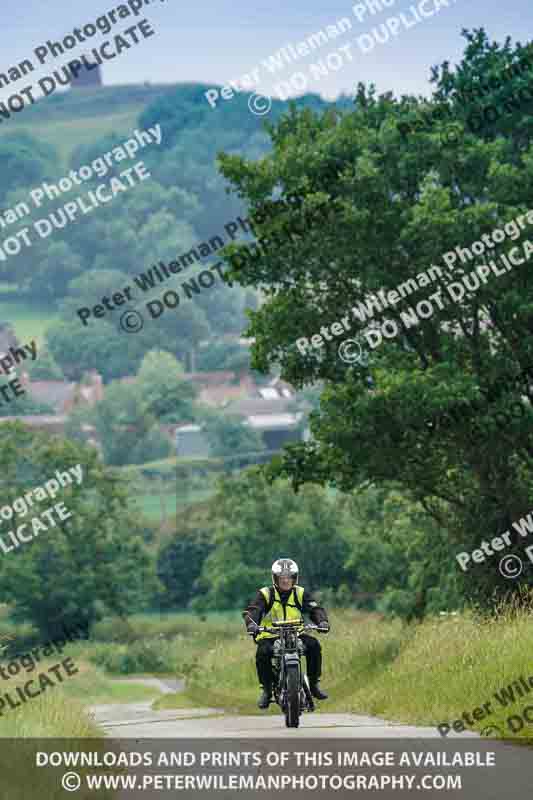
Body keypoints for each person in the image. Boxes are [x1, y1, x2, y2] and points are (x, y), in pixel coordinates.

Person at [242, 557, 330, 709]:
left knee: (314, 645)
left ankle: (314, 685)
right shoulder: (266, 594)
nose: (285, 581)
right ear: (275, 578)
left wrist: (322, 621)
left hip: (296, 633)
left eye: (289, 578)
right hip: (270, 635)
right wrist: (252, 624)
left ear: (294, 578)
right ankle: (267, 690)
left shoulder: (300, 593)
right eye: (281, 578)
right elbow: (253, 611)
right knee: (262, 653)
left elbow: (315, 609)